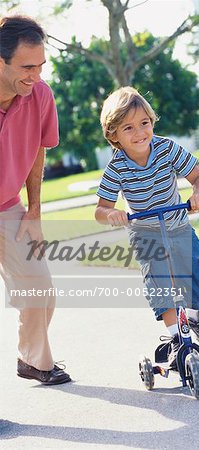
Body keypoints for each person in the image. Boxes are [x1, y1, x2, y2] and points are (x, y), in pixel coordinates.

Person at [95, 86, 199, 369]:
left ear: (152, 122)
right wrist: (112, 214)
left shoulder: (166, 149)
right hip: (145, 233)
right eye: (128, 127)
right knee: (160, 284)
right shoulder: (116, 168)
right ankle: (176, 338)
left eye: (144, 123)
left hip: (178, 226)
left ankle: (197, 316)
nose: (140, 132)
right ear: (114, 135)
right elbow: (100, 210)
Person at [0, 15, 71, 384]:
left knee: (39, 289)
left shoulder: (39, 95)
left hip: (9, 206)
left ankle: (32, 360)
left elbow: (38, 148)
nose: (36, 76)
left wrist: (35, 208)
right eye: (27, 67)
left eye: (41, 66)